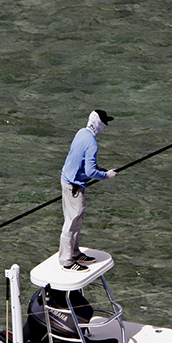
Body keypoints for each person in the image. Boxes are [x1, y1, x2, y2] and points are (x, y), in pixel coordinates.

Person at [59, 110, 118, 271]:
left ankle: (75, 252)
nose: (105, 127)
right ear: (98, 123)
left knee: (76, 222)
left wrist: (101, 170)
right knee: (71, 224)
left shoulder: (81, 133)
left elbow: (81, 161)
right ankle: (66, 261)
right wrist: (106, 175)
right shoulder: (92, 143)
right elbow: (91, 172)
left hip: (68, 181)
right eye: (105, 123)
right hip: (74, 187)